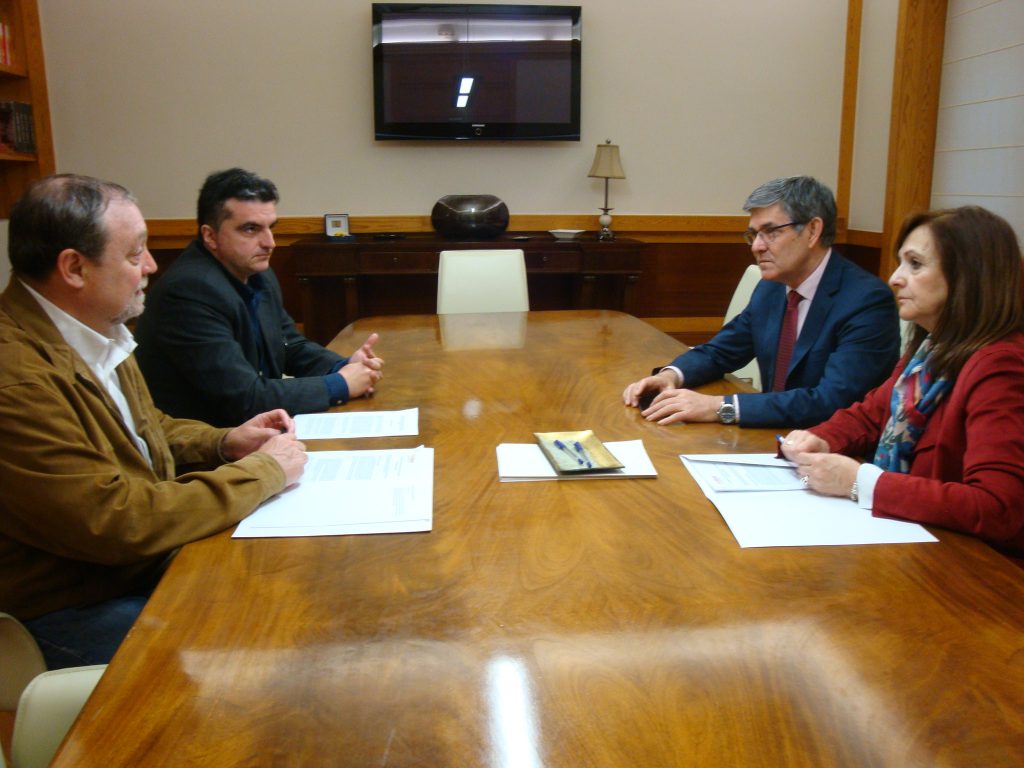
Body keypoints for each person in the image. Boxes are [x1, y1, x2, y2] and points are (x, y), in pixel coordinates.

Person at [0, 174, 308, 668]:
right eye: (134, 253)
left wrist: (225, 442)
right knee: (267, 636)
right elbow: (117, 520)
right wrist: (265, 472)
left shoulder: (94, 326)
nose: (151, 265)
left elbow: (148, 429)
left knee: (290, 588)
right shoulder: (16, 379)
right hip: (66, 609)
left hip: (132, 570)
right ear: (74, 268)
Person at [782, 206, 1024, 557]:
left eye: (915, 264)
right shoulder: (932, 346)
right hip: (912, 540)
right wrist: (818, 439)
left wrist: (860, 482)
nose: (895, 278)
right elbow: (870, 415)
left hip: (975, 570)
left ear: (966, 276)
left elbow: (998, 507)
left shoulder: (1001, 365)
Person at [622, 176, 901, 428]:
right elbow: (721, 351)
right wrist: (671, 376)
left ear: (813, 231)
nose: (757, 246)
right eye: (753, 235)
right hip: (770, 438)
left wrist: (721, 407)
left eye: (771, 232)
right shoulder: (771, 288)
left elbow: (831, 401)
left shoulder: (866, 301)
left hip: (832, 454)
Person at [134, 168, 383, 427]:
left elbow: (290, 345)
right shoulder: (189, 292)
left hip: (256, 434)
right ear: (210, 235)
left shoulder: (257, 273)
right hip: (208, 449)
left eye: (270, 228)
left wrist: (343, 366)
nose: (270, 242)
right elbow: (245, 399)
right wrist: (341, 384)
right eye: (251, 229)